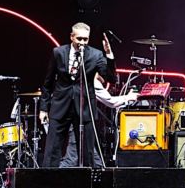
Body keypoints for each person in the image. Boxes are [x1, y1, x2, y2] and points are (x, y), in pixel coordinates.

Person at [39, 22, 116, 167]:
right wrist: (43, 108)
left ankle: (89, 184)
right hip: (60, 105)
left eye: (85, 39)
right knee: (53, 148)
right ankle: (48, 182)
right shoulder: (58, 52)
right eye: (79, 39)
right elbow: (48, 82)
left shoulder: (95, 54)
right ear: (72, 37)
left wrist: (109, 54)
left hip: (84, 105)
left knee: (87, 150)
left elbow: (111, 78)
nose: (82, 42)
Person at [60, 74, 138, 167]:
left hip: (80, 123)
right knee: (72, 159)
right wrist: (128, 97)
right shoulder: (92, 81)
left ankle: (100, 177)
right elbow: (111, 101)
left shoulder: (85, 78)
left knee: (95, 162)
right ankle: (52, 179)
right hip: (79, 124)